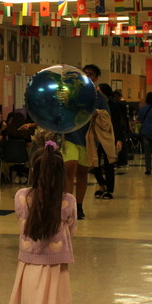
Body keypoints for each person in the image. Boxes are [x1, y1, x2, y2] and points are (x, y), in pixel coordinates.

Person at [9, 142, 77, 304]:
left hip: (31, 263)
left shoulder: (22, 196)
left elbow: (21, 220)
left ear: (34, 171)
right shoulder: (68, 201)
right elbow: (72, 229)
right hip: (55, 267)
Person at [62, 64, 110, 220]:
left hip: (87, 139)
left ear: (96, 78)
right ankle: (67, 206)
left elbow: (106, 118)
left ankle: (79, 206)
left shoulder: (99, 97)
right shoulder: (71, 92)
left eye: (91, 74)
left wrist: (95, 113)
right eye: (86, 73)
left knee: (82, 173)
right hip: (69, 135)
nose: (88, 76)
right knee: (69, 168)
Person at [90, 83, 123, 199]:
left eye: (99, 91)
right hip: (95, 137)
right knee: (95, 162)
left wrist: (118, 139)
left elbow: (117, 123)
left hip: (109, 137)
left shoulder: (113, 105)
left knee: (109, 163)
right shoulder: (93, 103)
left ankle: (109, 188)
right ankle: (101, 184)